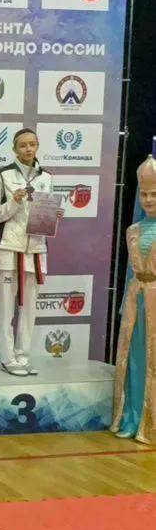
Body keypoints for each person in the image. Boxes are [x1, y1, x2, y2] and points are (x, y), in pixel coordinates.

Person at [0, 127, 61, 376]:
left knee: (29, 309)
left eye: (32, 144)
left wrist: (54, 215)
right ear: (14, 149)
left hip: (36, 249)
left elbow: (44, 212)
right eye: (23, 145)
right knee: (6, 307)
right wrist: (14, 201)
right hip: (8, 247)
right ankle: (8, 358)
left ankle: (23, 356)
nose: (28, 149)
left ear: (37, 146)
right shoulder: (3, 175)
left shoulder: (46, 177)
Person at [111, 154, 156, 444]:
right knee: (135, 361)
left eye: (154, 194)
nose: (148, 200)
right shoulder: (133, 230)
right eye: (144, 194)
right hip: (135, 299)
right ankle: (132, 417)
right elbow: (130, 271)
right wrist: (124, 305)